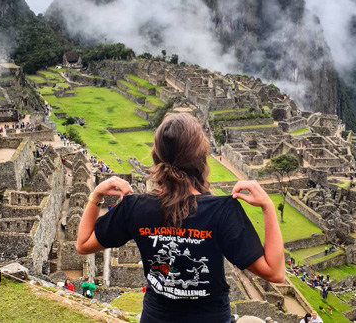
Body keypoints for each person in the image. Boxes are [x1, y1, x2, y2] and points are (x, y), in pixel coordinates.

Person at [76, 113, 285, 323]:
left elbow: (83, 244)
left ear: (157, 155)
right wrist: (268, 207)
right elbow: (275, 273)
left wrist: (96, 196)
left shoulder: (135, 207)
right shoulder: (223, 211)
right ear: (200, 157)